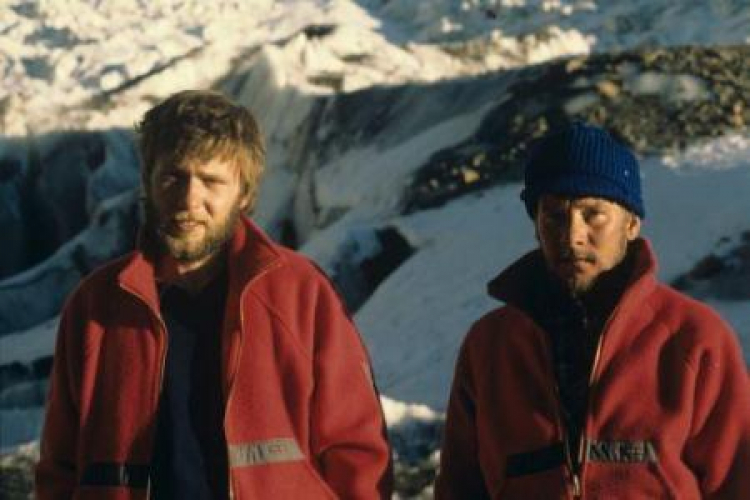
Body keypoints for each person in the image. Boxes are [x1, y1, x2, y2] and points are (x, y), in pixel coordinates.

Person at [35, 90, 393, 499]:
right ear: (148, 182)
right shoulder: (97, 304)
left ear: (243, 193)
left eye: (211, 181)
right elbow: (59, 465)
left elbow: (357, 452)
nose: (190, 199)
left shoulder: (301, 294)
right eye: (173, 176)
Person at [434, 122, 750, 499]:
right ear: (536, 226)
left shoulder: (694, 339)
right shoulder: (490, 346)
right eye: (554, 215)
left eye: (593, 213)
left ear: (631, 224)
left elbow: (738, 482)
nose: (572, 235)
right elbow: (459, 488)